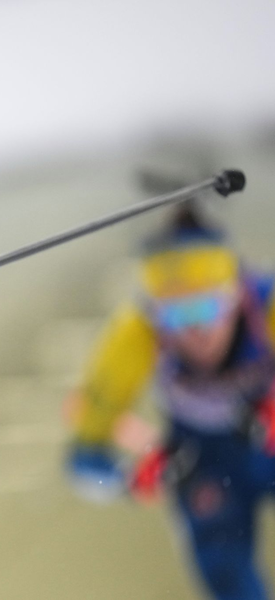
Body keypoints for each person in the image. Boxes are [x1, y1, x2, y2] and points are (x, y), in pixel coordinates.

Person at [66, 205, 275, 600]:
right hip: (201, 463)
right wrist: (130, 478)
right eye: (176, 314)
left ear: (236, 295)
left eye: (207, 306)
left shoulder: (267, 305)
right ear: (154, 315)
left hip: (268, 439)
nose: (196, 330)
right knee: (230, 584)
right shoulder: (133, 335)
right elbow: (82, 460)